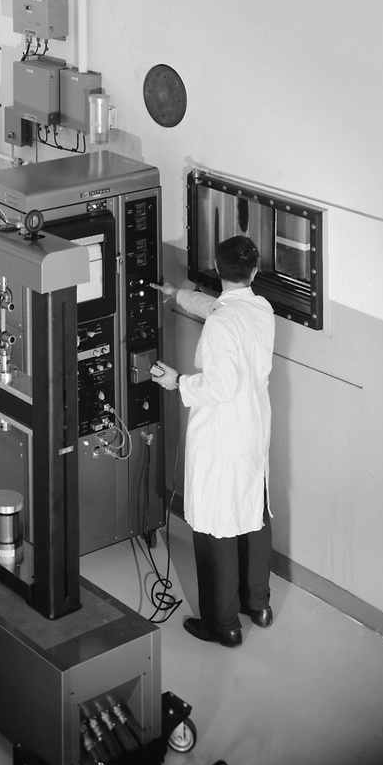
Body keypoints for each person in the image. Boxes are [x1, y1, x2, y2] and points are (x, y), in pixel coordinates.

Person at [150, 235, 276, 648]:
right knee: (253, 510)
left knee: (216, 523)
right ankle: (258, 604)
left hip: (223, 431)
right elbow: (223, 308)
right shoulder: (261, 308)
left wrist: (177, 382)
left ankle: (224, 625)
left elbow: (218, 386)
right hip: (254, 425)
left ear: (218, 270)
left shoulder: (225, 320)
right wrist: (178, 295)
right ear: (254, 271)